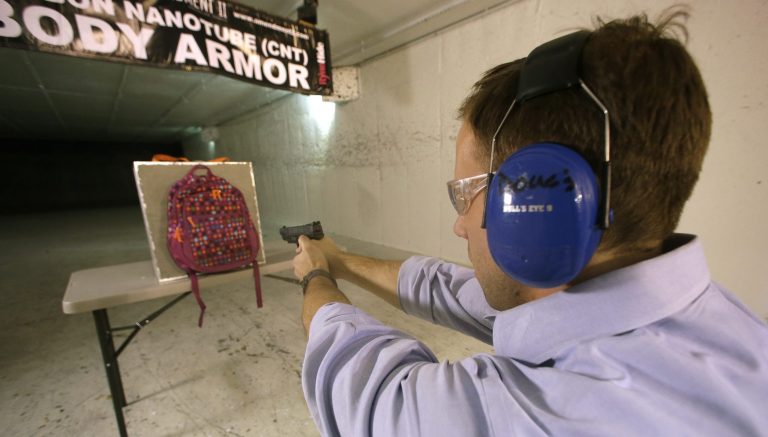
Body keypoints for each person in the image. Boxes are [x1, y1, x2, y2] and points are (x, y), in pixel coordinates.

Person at [291, 9, 768, 437]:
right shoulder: (720, 329)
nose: (459, 226)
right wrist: (339, 260)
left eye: (465, 194)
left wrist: (315, 275)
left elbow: (366, 392)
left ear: (534, 205)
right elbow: (457, 293)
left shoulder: (545, 415)